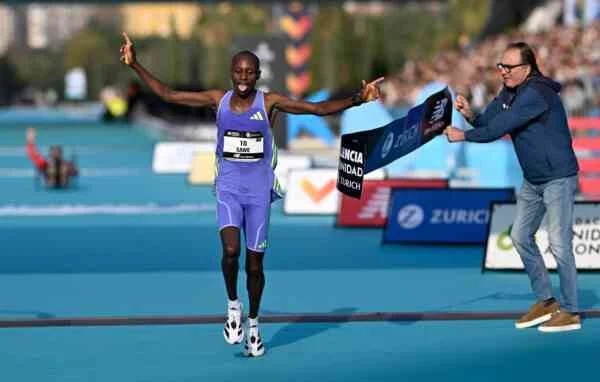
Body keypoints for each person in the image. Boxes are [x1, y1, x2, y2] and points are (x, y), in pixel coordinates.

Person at [120, 32, 383, 356]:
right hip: (229, 188)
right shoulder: (219, 99)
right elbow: (169, 94)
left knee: (255, 267)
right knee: (231, 251)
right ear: (232, 73)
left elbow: (317, 109)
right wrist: (135, 65)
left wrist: (359, 98)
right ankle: (233, 307)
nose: (243, 77)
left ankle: (254, 327)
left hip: (259, 192)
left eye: (249, 72)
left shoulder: (269, 102)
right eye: (238, 71)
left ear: (257, 75)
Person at [444, 42, 580, 332]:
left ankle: (570, 310)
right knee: (519, 236)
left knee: (559, 244)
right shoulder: (509, 92)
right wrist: (469, 115)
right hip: (533, 179)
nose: (502, 71)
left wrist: (463, 136)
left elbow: (496, 130)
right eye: (500, 66)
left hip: (558, 178)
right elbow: (486, 122)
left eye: (508, 67)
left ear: (527, 68)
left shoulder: (536, 93)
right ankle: (546, 301)